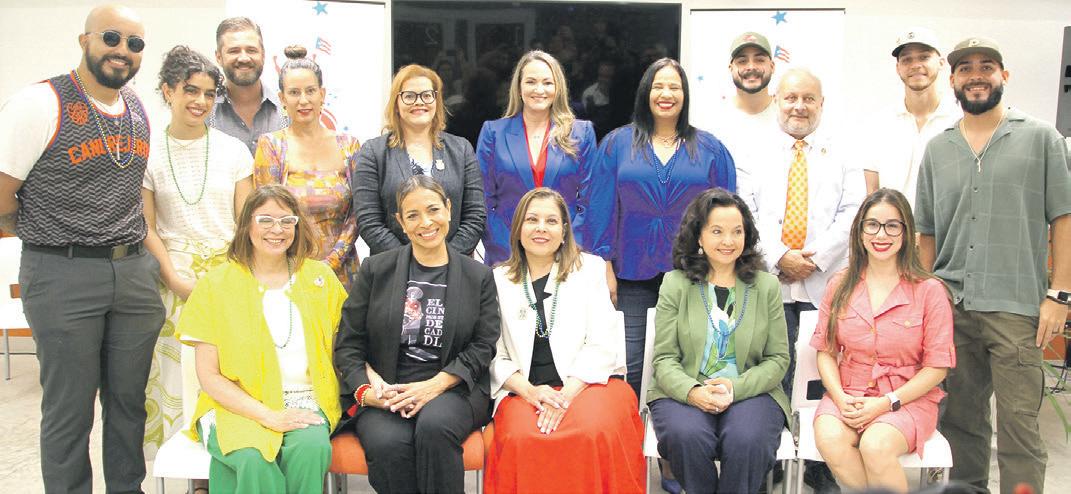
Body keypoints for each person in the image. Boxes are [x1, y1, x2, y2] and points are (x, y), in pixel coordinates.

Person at [0, 5, 162, 492]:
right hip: (62, 272)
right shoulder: (39, 103)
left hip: (132, 270)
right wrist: (45, 231)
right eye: (111, 38)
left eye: (134, 44)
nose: (122, 51)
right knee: (69, 410)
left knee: (129, 404)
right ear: (84, 40)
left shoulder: (136, 108)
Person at [918, 37, 1071, 494]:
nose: (976, 76)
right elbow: (927, 233)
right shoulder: (938, 149)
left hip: (1017, 309)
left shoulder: (1041, 138)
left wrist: (1060, 294)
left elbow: (1064, 217)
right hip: (952, 307)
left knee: (1020, 427)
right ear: (953, 81)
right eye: (965, 69)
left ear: (1004, 75)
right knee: (960, 422)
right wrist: (925, 303)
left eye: (986, 66)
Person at [580, 57, 737, 399]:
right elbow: (601, 207)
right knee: (629, 363)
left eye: (674, 87)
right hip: (630, 274)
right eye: (658, 86)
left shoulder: (710, 148)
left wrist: (722, 268)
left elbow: (726, 215)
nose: (666, 94)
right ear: (645, 93)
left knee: (690, 362)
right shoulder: (617, 144)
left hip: (694, 274)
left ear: (685, 95)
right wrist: (604, 263)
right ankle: (631, 430)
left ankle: (673, 429)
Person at [335, 175, 500, 493]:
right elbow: (349, 343)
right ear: (400, 222)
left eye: (433, 210)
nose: (426, 222)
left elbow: (483, 345)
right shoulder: (376, 270)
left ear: (449, 209)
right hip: (390, 388)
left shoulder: (477, 276)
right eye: (413, 215)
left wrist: (435, 385)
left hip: (454, 387)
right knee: (387, 442)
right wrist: (367, 392)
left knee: (435, 426)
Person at [176, 185, 346, 493]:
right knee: (253, 458)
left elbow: (345, 350)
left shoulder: (320, 278)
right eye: (265, 219)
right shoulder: (215, 285)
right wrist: (268, 416)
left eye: (287, 220)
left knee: (311, 449)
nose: (277, 229)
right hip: (236, 404)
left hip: (306, 399)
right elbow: (209, 376)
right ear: (246, 225)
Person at [485, 187, 644, 493]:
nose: (541, 228)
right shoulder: (497, 280)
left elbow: (602, 343)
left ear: (564, 230)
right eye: (532, 220)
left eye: (551, 221)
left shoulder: (590, 270)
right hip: (525, 391)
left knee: (593, 432)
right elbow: (493, 355)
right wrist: (530, 392)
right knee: (521, 437)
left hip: (590, 384)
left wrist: (565, 396)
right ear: (518, 228)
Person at [141, 45, 254, 459]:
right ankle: (185, 467)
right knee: (179, 377)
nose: (200, 101)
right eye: (190, 90)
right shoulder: (147, 151)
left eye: (209, 93)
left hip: (229, 276)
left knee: (230, 372)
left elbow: (247, 223)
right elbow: (146, 226)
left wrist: (232, 278)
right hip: (172, 277)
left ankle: (226, 461)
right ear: (168, 90)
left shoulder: (233, 150)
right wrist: (173, 277)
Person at [811, 188, 955, 492]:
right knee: (829, 437)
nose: (881, 234)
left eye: (892, 226)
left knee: (875, 445)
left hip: (906, 398)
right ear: (860, 231)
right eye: (872, 225)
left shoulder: (930, 290)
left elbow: (937, 367)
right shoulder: (840, 284)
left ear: (906, 232)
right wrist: (840, 397)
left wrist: (886, 403)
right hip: (849, 393)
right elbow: (826, 351)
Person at [648, 188, 790, 494]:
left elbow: (778, 359)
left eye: (737, 231)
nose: (728, 241)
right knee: (686, 436)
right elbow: (664, 358)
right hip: (685, 388)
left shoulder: (766, 286)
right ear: (698, 236)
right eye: (717, 231)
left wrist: (735, 388)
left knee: (746, 439)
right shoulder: (675, 284)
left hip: (751, 390)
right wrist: (693, 392)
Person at [253, 45, 361, 288]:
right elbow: (267, 215)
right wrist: (302, 268)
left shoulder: (349, 146)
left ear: (322, 94)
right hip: (289, 270)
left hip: (343, 272)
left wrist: (331, 263)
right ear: (282, 99)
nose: (303, 100)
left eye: (310, 91)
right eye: (294, 92)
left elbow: (359, 213)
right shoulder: (271, 145)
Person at [476, 50, 598, 266]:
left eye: (547, 83)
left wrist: (566, 247)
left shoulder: (582, 133)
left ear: (558, 87)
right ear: (519, 87)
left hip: (566, 257)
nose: (539, 90)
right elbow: (484, 200)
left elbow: (589, 200)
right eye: (531, 82)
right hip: (507, 257)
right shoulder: (493, 133)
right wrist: (512, 250)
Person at [353, 65, 486, 257]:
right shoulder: (373, 152)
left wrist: (444, 260)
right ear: (396, 103)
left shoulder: (462, 149)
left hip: (455, 265)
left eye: (426, 95)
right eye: (409, 96)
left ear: (436, 100)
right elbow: (369, 221)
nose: (419, 102)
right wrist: (411, 262)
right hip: (393, 267)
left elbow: (475, 215)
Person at [861, 28, 960, 206]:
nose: (915, 65)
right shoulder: (879, 124)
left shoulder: (960, 120)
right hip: (892, 223)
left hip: (945, 224)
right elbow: (871, 193)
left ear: (941, 63)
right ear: (898, 68)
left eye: (924, 57)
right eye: (907, 59)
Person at [209, 16, 288, 154]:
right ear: (219, 57)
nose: (244, 58)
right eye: (234, 51)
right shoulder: (205, 112)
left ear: (263, 55)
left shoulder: (287, 110)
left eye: (251, 50)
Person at [700, 32, 779, 155]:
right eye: (742, 61)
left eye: (759, 60)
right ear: (731, 68)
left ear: (772, 66)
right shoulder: (712, 121)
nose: (751, 67)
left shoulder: (787, 115)